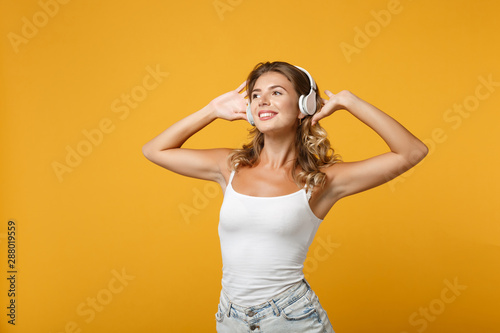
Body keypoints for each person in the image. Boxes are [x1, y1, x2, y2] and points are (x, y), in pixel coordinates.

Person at [142, 61, 428, 332]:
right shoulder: (230, 166)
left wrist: (351, 103)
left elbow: (411, 152)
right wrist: (211, 110)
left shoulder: (322, 180)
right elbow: (155, 150)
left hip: (292, 318)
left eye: (276, 92)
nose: (262, 100)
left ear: (305, 106)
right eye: (256, 95)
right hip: (230, 318)